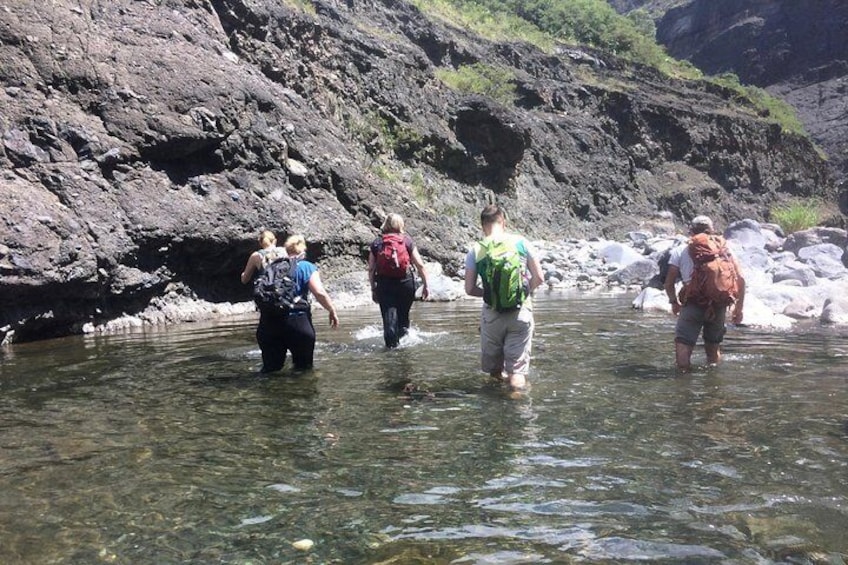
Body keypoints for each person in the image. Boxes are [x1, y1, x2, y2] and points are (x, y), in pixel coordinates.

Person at [464, 204, 544, 391]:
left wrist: (491, 294)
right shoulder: (521, 243)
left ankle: (497, 407)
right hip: (520, 313)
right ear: (503, 222)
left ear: (483, 226)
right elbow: (539, 278)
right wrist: (522, 293)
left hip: (492, 316)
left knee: (495, 371)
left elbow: (469, 289)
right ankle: (517, 404)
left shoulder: (477, 249)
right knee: (517, 371)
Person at [241, 232, 339, 373]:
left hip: (268, 322)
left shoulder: (271, 267)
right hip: (297, 322)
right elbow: (319, 292)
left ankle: (265, 394)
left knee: (270, 371)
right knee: (303, 371)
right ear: (303, 250)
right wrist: (331, 310)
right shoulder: (306, 266)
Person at [664, 215, 746, 371]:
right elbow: (741, 278)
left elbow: (668, 283)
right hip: (718, 304)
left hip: (693, 303)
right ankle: (713, 383)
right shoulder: (724, 250)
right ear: (712, 230)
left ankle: (683, 384)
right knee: (713, 349)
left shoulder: (681, 250)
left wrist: (674, 302)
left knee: (683, 345)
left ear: (691, 231)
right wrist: (739, 308)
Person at [367, 213, 430, 348]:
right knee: (403, 316)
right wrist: (426, 285)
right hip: (405, 284)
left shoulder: (377, 243)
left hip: (385, 285)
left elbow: (371, 269)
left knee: (389, 318)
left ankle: (391, 349)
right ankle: (404, 348)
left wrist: (373, 288)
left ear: (386, 224)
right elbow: (420, 265)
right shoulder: (406, 241)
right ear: (400, 225)